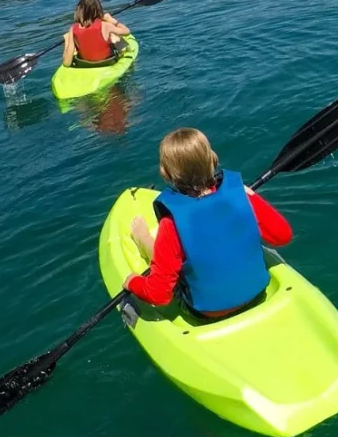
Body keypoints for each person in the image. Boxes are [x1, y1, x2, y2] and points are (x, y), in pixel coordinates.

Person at [125, 128, 293, 318]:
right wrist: (250, 196)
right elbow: (283, 236)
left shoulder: (171, 223)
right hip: (257, 292)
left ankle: (143, 239)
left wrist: (132, 282)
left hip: (208, 312)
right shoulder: (242, 196)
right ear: (213, 158)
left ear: (165, 173)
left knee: (166, 254)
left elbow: (159, 294)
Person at [61, 0, 130, 67]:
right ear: (98, 8)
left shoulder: (73, 29)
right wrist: (112, 20)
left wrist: (67, 41)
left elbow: (66, 63)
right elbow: (127, 31)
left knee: (71, 41)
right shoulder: (105, 25)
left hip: (85, 65)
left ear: (79, 10)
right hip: (107, 62)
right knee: (114, 36)